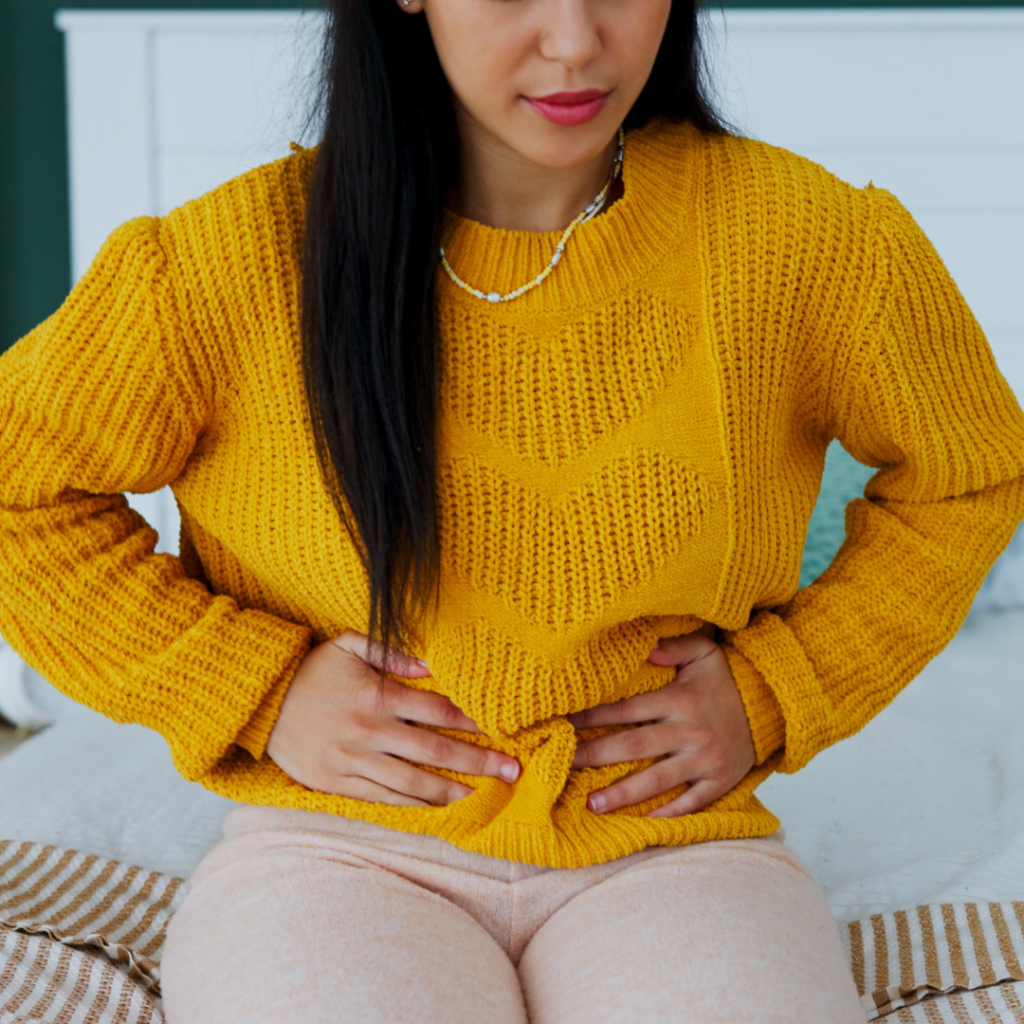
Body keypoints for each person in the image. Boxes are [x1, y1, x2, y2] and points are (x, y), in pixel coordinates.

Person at [1, 0, 1022, 1016]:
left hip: (670, 842)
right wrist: (255, 689)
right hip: (336, 847)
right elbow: (19, 488)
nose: (574, 41)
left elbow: (970, 470)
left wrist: (782, 683)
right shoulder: (227, 259)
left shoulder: (812, 242)